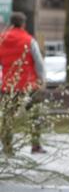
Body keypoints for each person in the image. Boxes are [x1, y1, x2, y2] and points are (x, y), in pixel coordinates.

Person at [0, 11, 46, 154]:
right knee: (35, 114)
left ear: (11, 23)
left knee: (7, 117)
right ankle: (35, 145)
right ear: (24, 24)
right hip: (29, 85)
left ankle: (7, 146)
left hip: (8, 85)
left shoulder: (2, 39)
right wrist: (42, 79)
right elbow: (38, 62)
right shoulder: (29, 40)